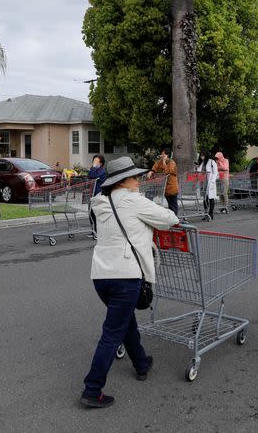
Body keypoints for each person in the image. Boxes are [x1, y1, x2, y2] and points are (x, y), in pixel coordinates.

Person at [80, 157, 179, 408]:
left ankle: (141, 363)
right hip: (126, 274)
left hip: (101, 274)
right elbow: (169, 219)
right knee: (112, 333)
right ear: (123, 181)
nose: (139, 180)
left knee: (125, 323)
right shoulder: (134, 201)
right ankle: (92, 389)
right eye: (135, 177)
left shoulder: (100, 202)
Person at [148, 147, 179, 215]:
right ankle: (172, 218)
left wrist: (164, 162)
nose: (162, 156)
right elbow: (156, 166)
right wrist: (151, 171)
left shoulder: (172, 162)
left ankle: (175, 218)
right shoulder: (160, 162)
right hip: (164, 187)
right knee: (170, 205)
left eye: (164, 155)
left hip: (172, 187)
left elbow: (167, 171)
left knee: (173, 205)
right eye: (162, 154)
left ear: (167, 156)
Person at [196, 149, 218, 220]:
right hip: (203, 183)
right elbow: (199, 171)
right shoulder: (202, 163)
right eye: (201, 155)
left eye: (203, 155)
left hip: (210, 182)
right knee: (204, 199)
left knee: (211, 198)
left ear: (206, 155)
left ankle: (211, 214)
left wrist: (212, 182)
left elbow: (215, 173)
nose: (202, 157)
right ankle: (206, 213)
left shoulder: (212, 162)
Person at [88, 155, 107, 235]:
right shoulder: (93, 169)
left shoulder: (102, 171)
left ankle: (97, 231)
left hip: (98, 194)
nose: (94, 163)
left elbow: (93, 176)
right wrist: (93, 168)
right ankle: (93, 230)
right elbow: (90, 175)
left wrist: (93, 168)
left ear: (101, 163)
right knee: (90, 213)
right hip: (92, 194)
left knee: (96, 213)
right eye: (94, 161)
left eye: (96, 161)